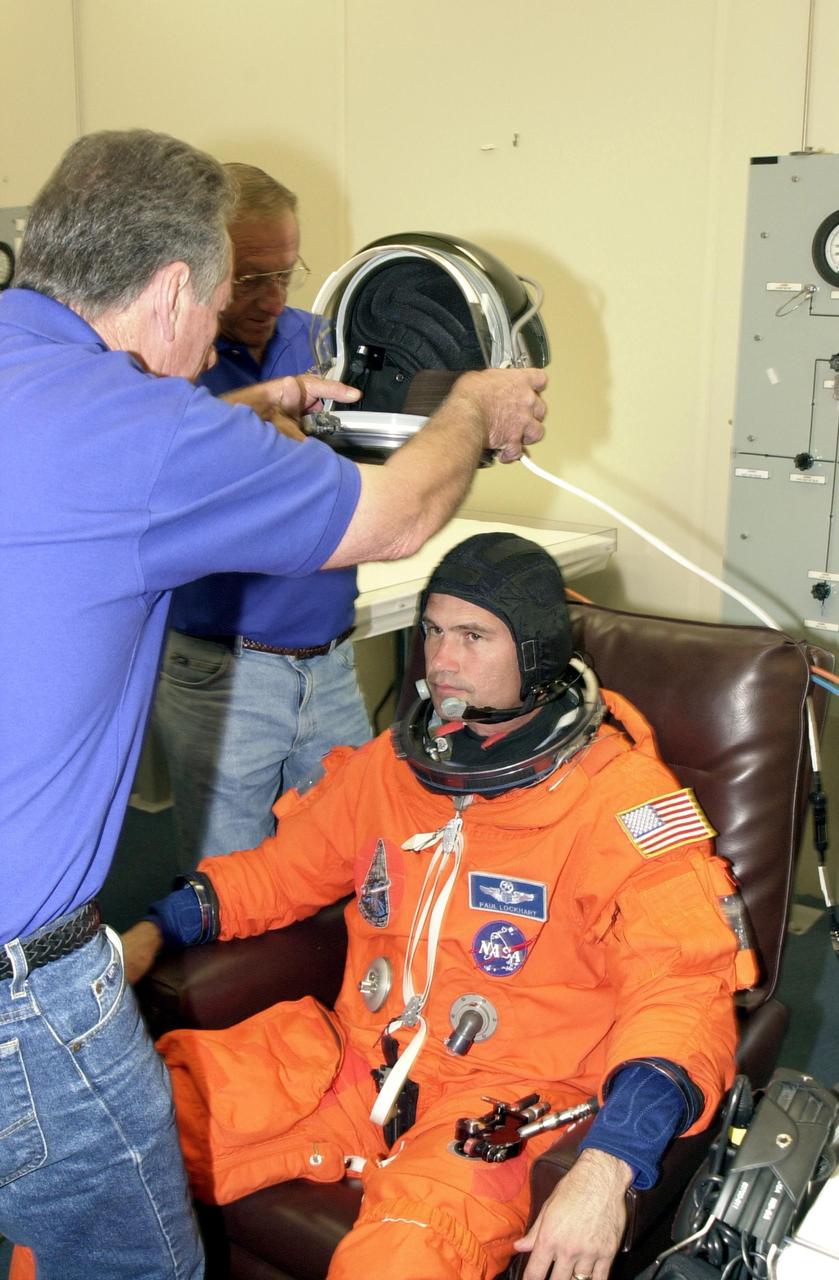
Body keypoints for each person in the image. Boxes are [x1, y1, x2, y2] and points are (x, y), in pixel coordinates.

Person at [0, 128, 545, 1280]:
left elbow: (97, 473)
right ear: (169, 288)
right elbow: (394, 517)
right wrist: (471, 404)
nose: (209, 342)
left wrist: (260, 405)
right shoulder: (131, 427)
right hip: (21, 1000)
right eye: (208, 308)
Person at [124, 532, 752, 1280]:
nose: (439, 659)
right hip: (352, 1060)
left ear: (536, 651)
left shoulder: (621, 806)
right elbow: (278, 874)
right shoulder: (391, 768)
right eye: (432, 630)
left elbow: (681, 988)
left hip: (502, 1106)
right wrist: (153, 928)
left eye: (472, 636)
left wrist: (607, 1165)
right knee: (110, 1148)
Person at [153, 162, 372, 864]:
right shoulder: (164, 359)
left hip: (331, 661)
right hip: (223, 676)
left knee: (353, 870)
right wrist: (258, 406)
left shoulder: (324, 342)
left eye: (286, 273)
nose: (273, 298)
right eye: (250, 279)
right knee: (229, 883)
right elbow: (149, 452)